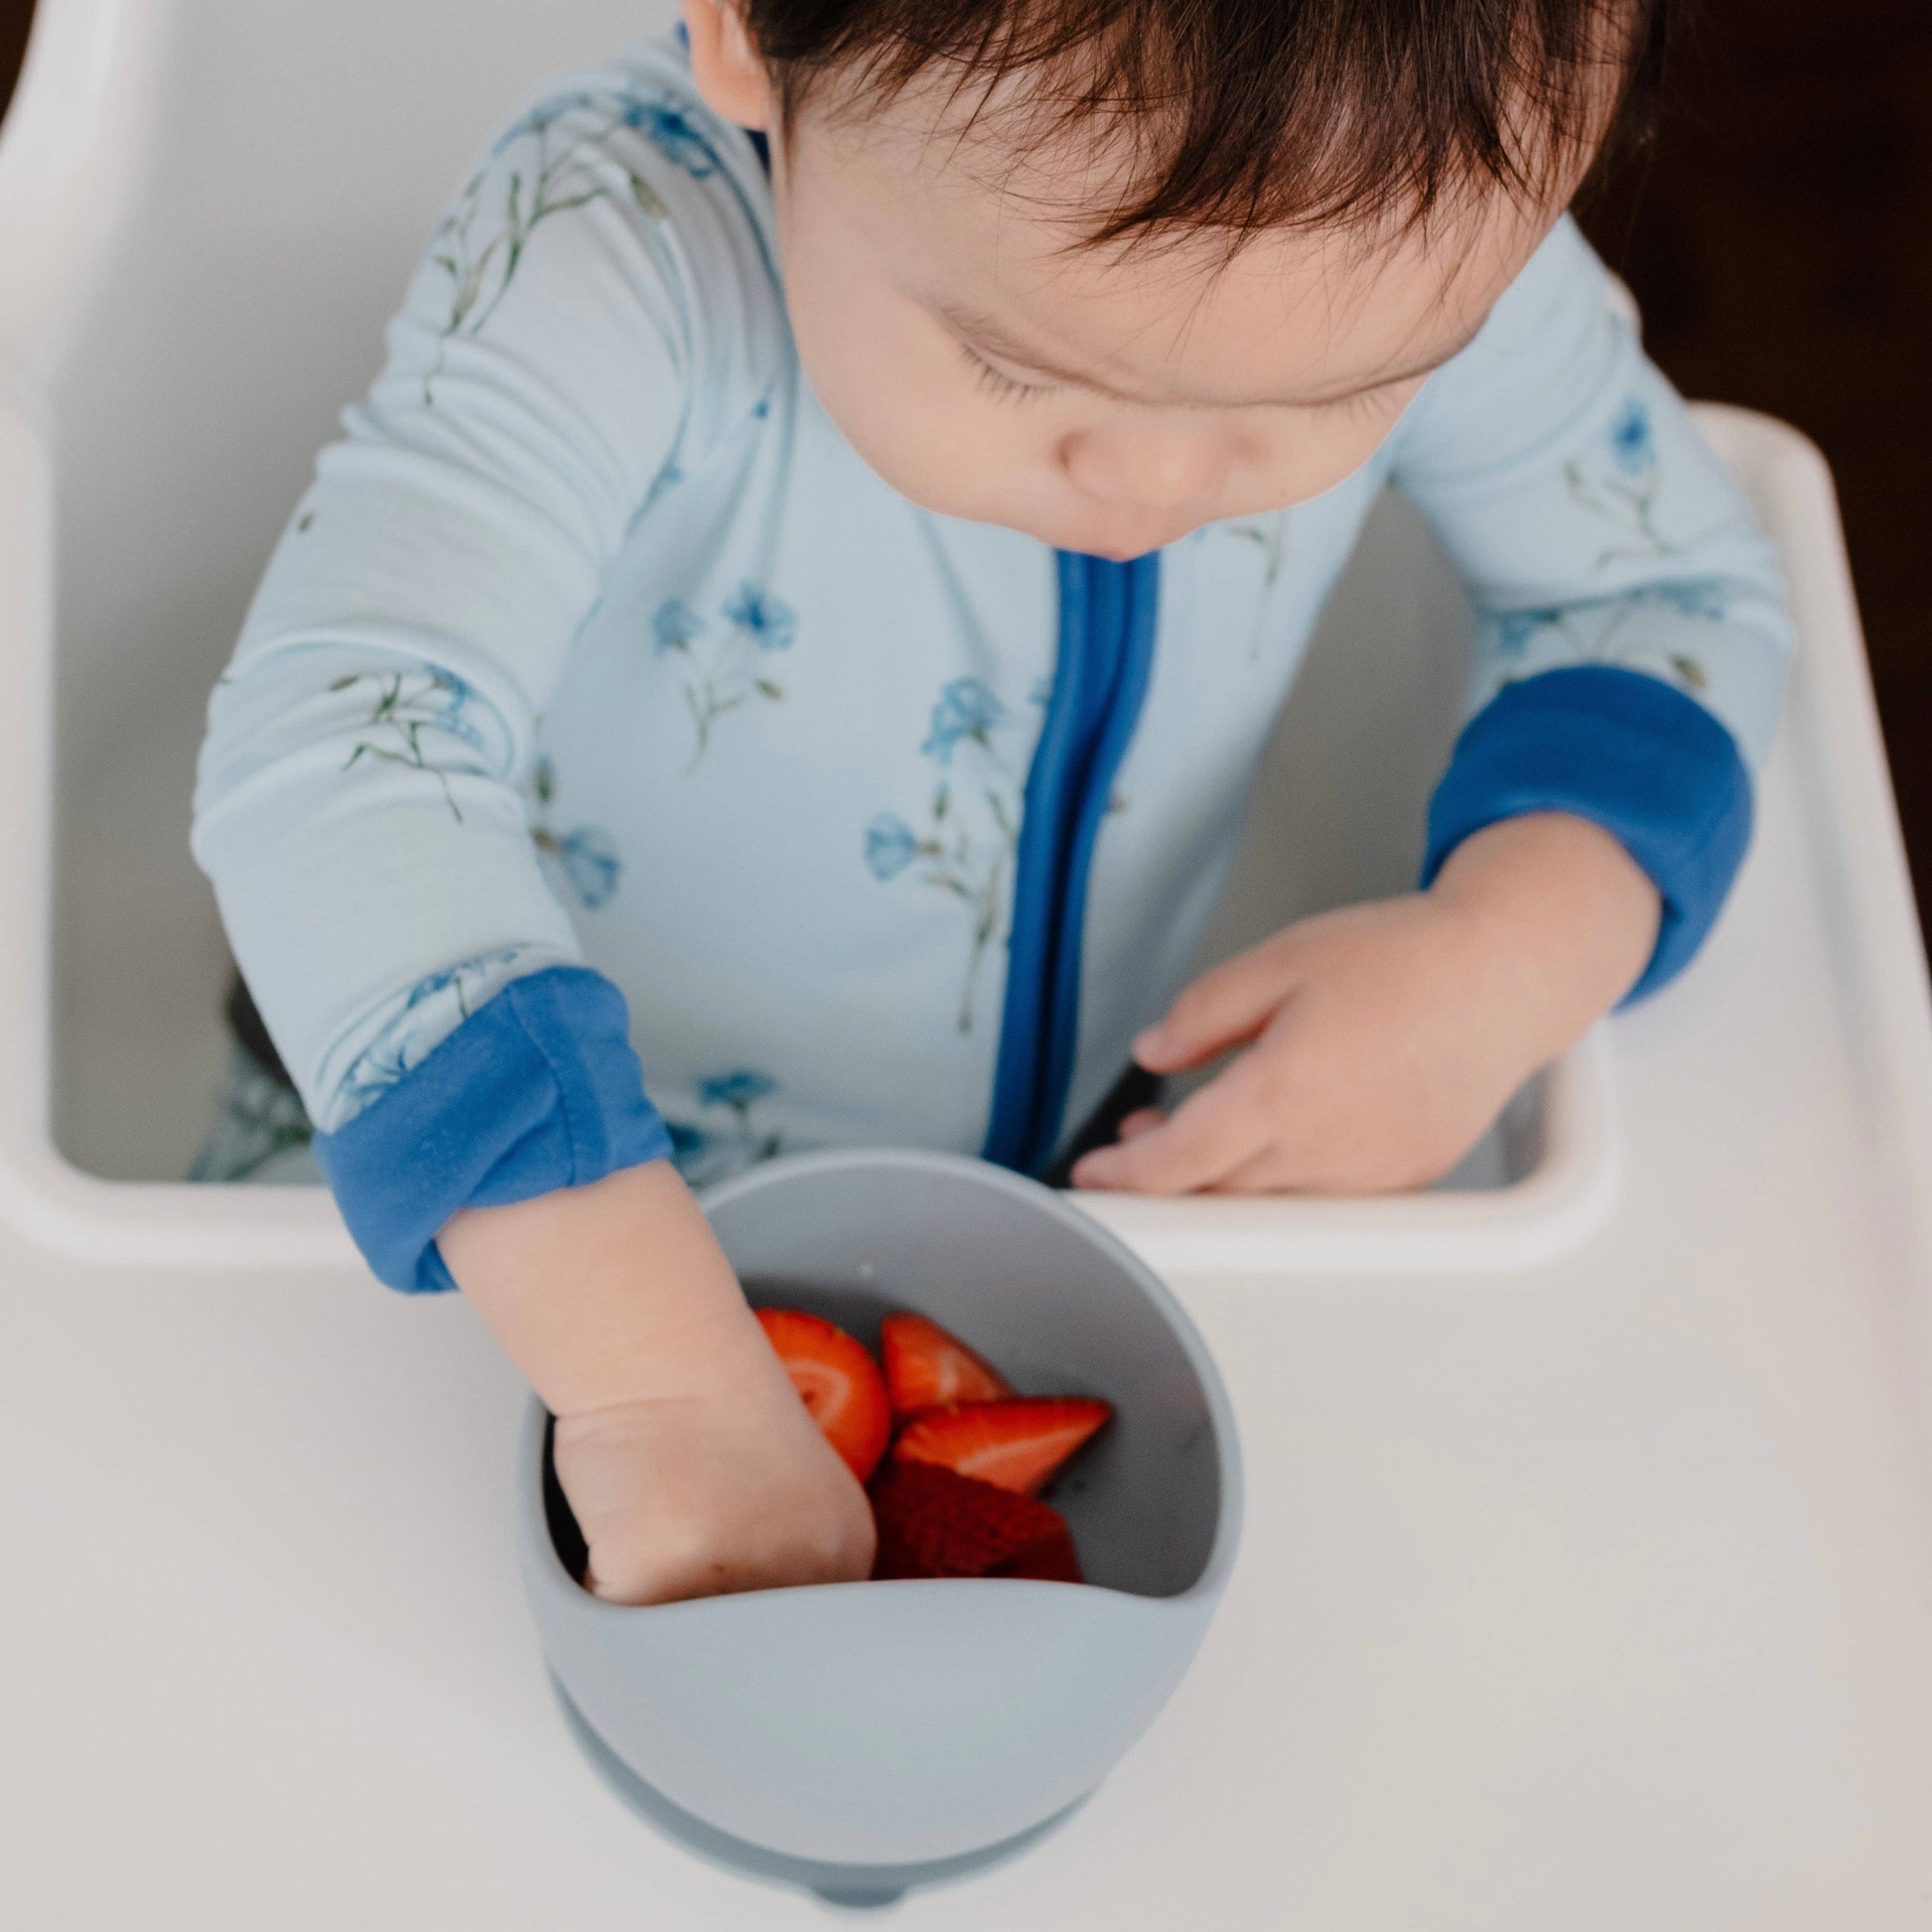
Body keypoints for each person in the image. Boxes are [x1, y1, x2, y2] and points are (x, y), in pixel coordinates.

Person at [191, 0, 1792, 1602]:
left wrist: (1503, 954)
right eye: (1015, 365)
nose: (1159, 492)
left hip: (1039, 1192)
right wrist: (650, 1366)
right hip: (483, 1148)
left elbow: (1664, 594)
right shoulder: (619, 249)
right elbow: (338, 752)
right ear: (746, 29)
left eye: (1322, 397)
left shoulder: (1408, 207)